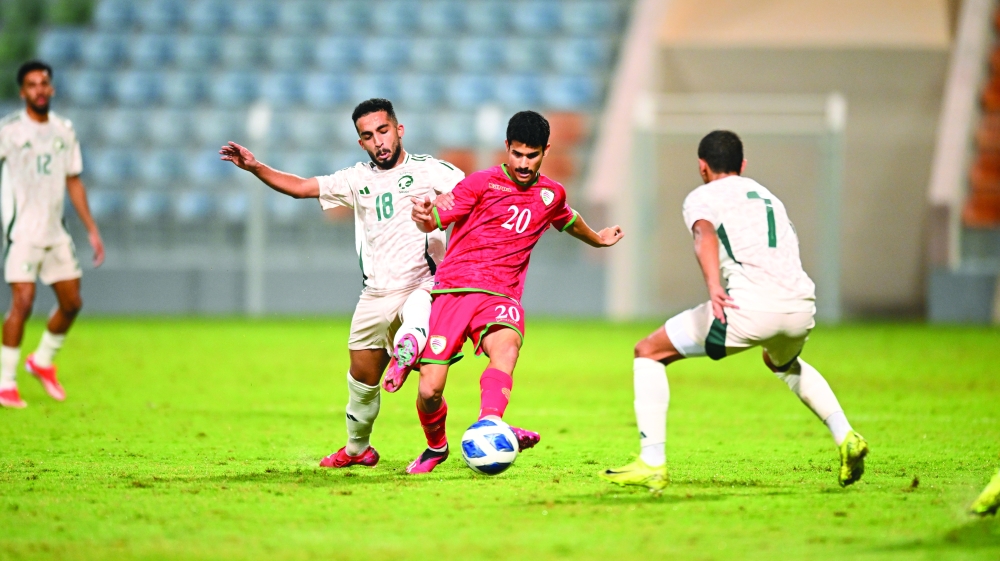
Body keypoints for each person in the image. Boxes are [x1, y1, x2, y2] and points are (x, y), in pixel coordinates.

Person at [600, 130, 867, 492]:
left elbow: (704, 236)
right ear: (742, 165)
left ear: (702, 167)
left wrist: (714, 285)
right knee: (782, 363)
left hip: (745, 309)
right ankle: (846, 435)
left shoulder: (702, 196)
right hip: (801, 306)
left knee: (648, 352)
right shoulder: (769, 197)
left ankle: (652, 461)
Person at [220, 98, 462, 467]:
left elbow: (475, 194)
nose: (378, 141)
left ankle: (409, 352)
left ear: (399, 130)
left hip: (423, 284)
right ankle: (357, 450)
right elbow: (301, 187)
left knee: (422, 344)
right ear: (361, 142)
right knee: (361, 384)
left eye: (383, 130)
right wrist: (255, 168)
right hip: (375, 295)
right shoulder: (355, 179)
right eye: (368, 136)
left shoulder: (431, 171)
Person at [404, 110, 624, 474]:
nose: (524, 163)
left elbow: (567, 218)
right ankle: (436, 447)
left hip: (501, 296)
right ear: (507, 147)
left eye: (532, 155)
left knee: (507, 347)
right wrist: (424, 216)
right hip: (454, 290)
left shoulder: (551, 194)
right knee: (430, 390)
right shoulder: (479, 184)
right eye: (517, 154)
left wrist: (598, 239)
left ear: (545, 151)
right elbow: (436, 219)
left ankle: (490, 424)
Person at [0, 60, 105, 409]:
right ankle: (6, 382)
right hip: (23, 233)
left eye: (44, 83)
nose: (39, 90)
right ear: (22, 92)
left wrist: (91, 229)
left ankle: (42, 361)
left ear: (52, 88)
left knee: (72, 302)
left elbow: (73, 181)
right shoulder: (10, 131)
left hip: (55, 232)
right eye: (31, 85)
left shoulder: (64, 130)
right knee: (23, 302)